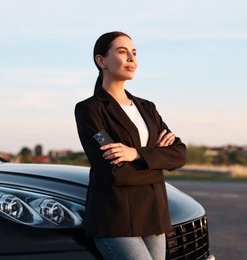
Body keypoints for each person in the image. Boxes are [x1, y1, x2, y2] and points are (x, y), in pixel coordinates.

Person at [74, 31, 186, 260]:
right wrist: (158, 163)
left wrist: (135, 154)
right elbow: (114, 172)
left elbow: (179, 154)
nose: (132, 60)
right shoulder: (90, 110)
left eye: (134, 53)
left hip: (153, 216)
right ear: (101, 60)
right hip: (115, 220)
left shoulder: (147, 108)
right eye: (122, 52)